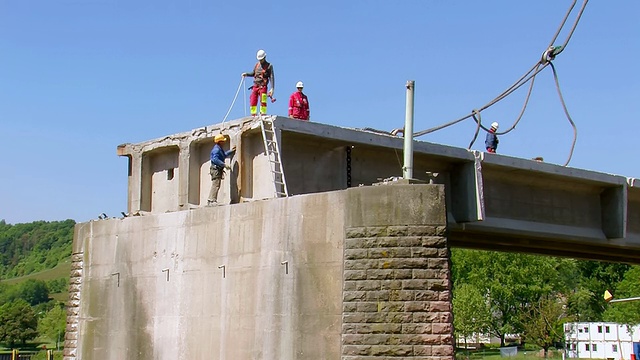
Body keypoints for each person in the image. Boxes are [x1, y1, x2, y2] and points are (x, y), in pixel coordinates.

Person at [242, 49, 275, 116]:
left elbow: (271, 77)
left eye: (261, 59)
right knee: (253, 100)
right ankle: (253, 115)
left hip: (263, 86)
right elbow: (253, 73)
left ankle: (263, 114)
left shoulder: (269, 66)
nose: (260, 61)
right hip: (255, 86)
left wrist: (272, 88)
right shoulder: (257, 65)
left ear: (264, 57)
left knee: (263, 101)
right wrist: (247, 74)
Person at [208, 134, 236, 206]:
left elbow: (223, 155)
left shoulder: (219, 148)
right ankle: (211, 200)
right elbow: (215, 159)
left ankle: (211, 200)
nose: (224, 142)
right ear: (220, 142)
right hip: (215, 169)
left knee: (216, 184)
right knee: (216, 185)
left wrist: (231, 151)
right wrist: (224, 165)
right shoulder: (216, 149)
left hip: (217, 169)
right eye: (223, 141)